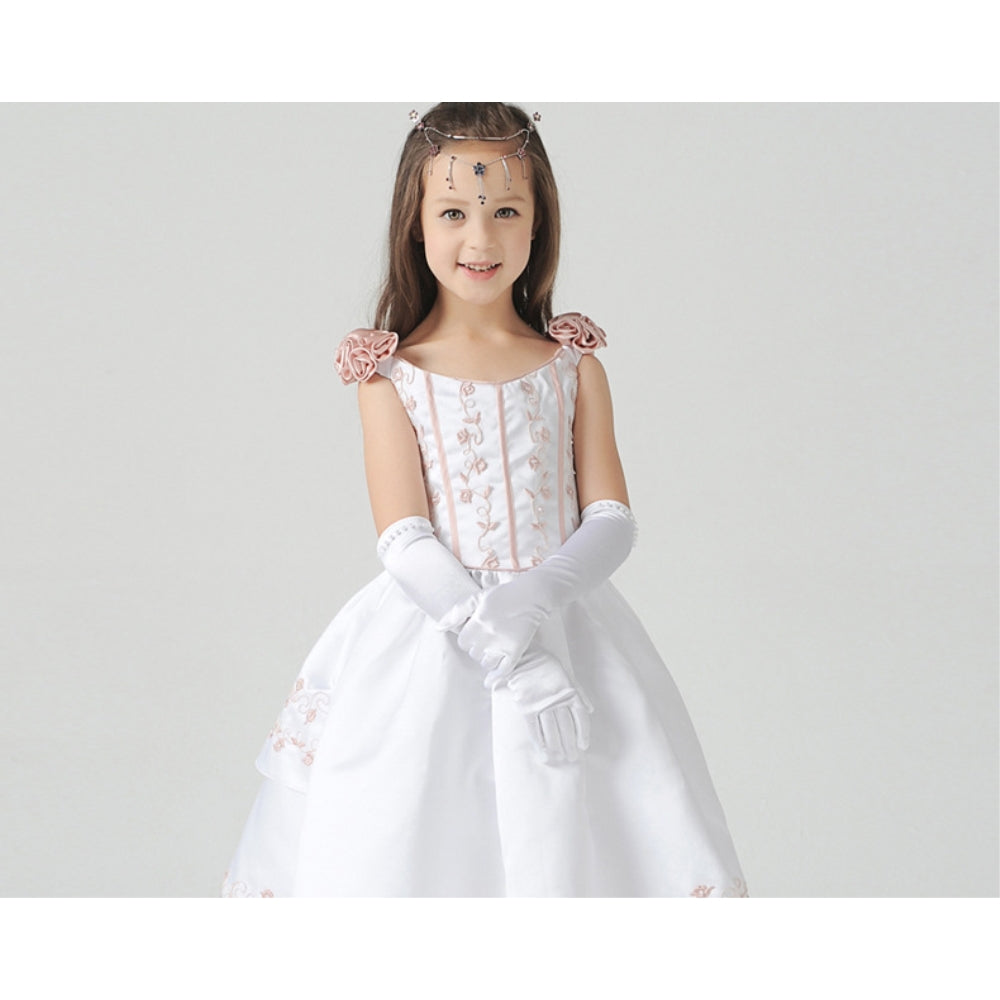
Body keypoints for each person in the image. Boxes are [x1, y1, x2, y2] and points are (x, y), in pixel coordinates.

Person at [222, 103, 747, 897]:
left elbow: (610, 517)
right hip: (432, 635)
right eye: (453, 213)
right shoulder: (389, 376)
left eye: (506, 211)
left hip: (568, 628)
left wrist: (539, 597)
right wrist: (513, 653)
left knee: (583, 835)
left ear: (538, 223)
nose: (480, 238)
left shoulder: (572, 366)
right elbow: (403, 537)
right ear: (415, 222)